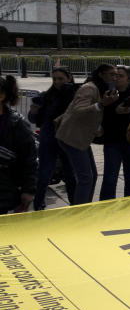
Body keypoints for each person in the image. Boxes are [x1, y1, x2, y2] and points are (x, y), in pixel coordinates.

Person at [55, 63, 119, 205]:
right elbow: (79, 111)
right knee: (86, 178)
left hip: (80, 137)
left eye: (116, 75)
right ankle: (80, 211)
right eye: (111, 74)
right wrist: (101, 104)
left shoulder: (102, 88)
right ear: (101, 75)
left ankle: (85, 206)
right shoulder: (89, 88)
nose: (114, 77)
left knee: (92, 175)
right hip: (72, 138)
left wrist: (97, 125)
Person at [28, 67, 77, 209]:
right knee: (44, 174)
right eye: (54, 79)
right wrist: (33, 111)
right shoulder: (45, 96)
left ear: (69, 78)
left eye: (60, 78)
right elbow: (33, 119)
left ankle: (74, 206)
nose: (57, 82)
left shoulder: (76, 96)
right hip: (49, 138)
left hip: (68, 139)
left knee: (70, 176)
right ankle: (38, 205)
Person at [99, 65, 130, 200]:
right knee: (110, 177)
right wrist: (115, 111)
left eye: (120, 76)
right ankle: (106, 206)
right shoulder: (108, 94)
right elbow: (101, 117)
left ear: (129, 78)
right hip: (112, 141)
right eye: (114, 75)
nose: (116, 78)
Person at [0, 76, 37, 213]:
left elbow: (29, 160)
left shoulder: (16, 124)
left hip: (5, 191)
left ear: (2, 95)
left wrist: (28, 190)